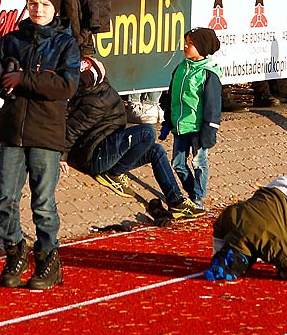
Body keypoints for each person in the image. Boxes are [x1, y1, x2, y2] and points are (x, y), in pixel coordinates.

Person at [0, 0, 80, 291]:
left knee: (42, 203)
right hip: (12, 130)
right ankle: (15, 252)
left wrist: (25, 79)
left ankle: (47, 260)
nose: (38, 9)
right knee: (5, 199)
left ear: (55, 8)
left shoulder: (66, 44)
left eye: (44, 4)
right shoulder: (12, 40)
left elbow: (66, 86)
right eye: (33, 3)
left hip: (46, 132)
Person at [67, 58, 201, 221]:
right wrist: (61, 156)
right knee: (147, 132)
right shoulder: (94, 99)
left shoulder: (97, 89)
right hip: (95, 157)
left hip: (104, 144)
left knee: (156, 151)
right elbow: (72, 130)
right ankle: (113, 173)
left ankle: (176, 201)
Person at [157, 28, 223, 212]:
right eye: (185, 42)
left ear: (201, 47)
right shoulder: (181, 68)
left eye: (190, 44)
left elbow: (212, 105)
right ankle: (192, 192)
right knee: (177, 164)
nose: (185, 46)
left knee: (198, 163)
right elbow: (171, 96)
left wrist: (210, 130)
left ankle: (198, 197)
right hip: (180, 126)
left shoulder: (208, 74)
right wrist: (168, 122)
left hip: (198, 127)